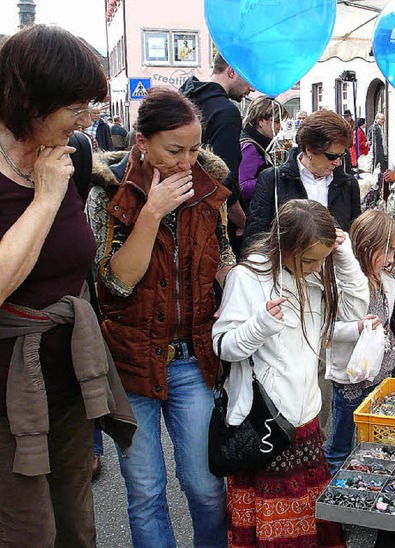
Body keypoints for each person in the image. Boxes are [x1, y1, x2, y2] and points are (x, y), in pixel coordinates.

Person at [0, 25, 135, 547]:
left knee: (78, 526)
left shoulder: (74, 153)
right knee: (25, 532)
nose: (87, 121)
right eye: (75, 106)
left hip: (71, 382)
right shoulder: (43, 172)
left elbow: (76, 264)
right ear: (30, 101)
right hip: (7, 394)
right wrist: (45, 198)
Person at [88, 87, 234, 547]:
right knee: (146, 492)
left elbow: (223, 258)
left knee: (207, 487)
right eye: (175, 150)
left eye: (194, 149)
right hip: (130, 360)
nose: (187, 162)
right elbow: (114, 283)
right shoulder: (109, 190)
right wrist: (151, 212)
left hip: (193, 357)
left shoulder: (209, 189)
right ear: (141, 143)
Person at [212, 199, 369, 547]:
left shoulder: (314, 275)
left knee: (310, 529)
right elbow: (222, 345)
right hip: (264, 424)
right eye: (310, 259)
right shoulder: (247, 277)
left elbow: (356, 307)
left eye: (322, 260)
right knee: (274, 530)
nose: (316, 268)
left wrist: (342, 260)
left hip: (305, 423)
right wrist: (261, 325)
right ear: (285, 246)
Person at [325, 209, 395, 474]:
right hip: (350, 378)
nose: (391, 259)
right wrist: (357, 328)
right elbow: (325, 329)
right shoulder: (344, 282)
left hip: (379, 373)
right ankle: (334, 499)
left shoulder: (385, 281)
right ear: (366, 244)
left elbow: (386, 321)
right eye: (387, 251)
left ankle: (363, 485)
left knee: (373, 442)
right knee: (341, 445)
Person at [244, 110, 361, 245]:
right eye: (332, 156)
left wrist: (345, 241)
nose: (337, 162)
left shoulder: (348, 185)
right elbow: (254, 238)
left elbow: (355, 237)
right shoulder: (273, 179)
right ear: (309, 149)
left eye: (341, 155)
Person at [180, 53, 255, 254]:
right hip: (210, 222)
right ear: (231, 71)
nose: (252, 88)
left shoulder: (185, 98)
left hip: (177, 211)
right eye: (249, 79)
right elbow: (223, 178)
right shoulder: (226, 112)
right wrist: (242, 220)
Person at [238, 96, 287, 206]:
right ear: (260, 121)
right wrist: (276, 175)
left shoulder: (258, 142)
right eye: (276, 121)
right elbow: (243, 187)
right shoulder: (249, 146)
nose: (279, 127)